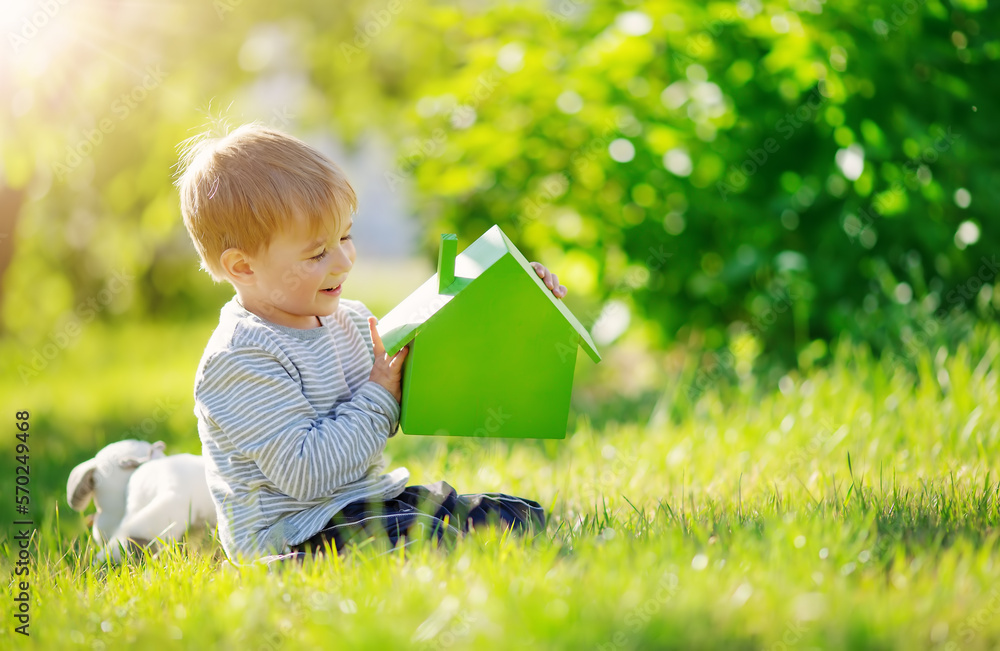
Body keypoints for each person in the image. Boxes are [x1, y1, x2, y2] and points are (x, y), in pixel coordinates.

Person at [174, 123, 566, 565]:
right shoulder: (241, 358)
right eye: (316, 253)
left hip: (370, 502)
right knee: (427, 542)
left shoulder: (351, 320)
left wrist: (505, 293)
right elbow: (307, 475)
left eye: (345, 237)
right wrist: (379, 396)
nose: (343, 260)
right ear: (243, 267)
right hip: (296, 533)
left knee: (511, 516)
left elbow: (427, 363)